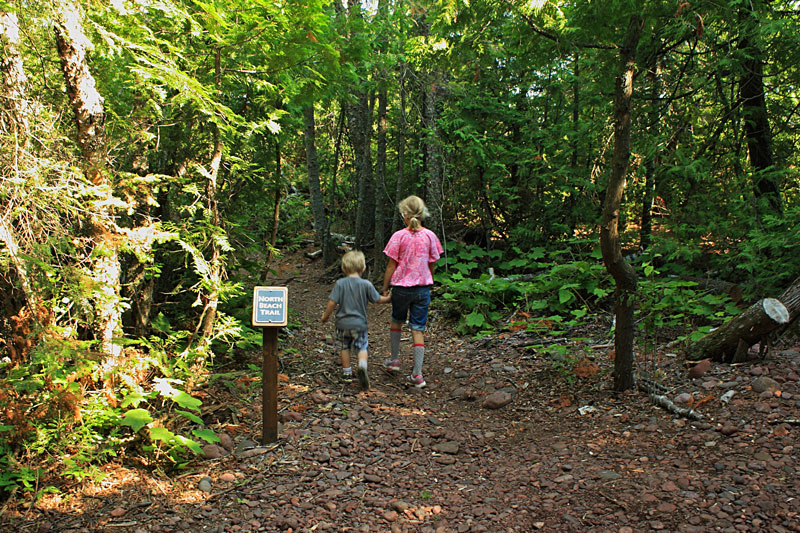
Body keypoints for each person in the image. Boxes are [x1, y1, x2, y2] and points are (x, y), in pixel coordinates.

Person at [381, 195, 443, 388]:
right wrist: (428, 278)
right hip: (422, 289)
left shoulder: (398, 236)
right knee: (418, 329)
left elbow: (392, 265)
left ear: (405, 215)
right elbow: (432, 263)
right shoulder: (430, 236)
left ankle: (394, 359)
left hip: (401, 288)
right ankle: (417, 374)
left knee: (397, 321)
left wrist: (385, 287)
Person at [321, 250, 390, 390]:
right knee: (362, 346)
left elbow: (332, 303)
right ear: (363, 268)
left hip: (342, 323)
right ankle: (362, 366)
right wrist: (389, 298)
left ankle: (347, 373)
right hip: (359, 324)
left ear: (344, 268)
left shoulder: (340, 284)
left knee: (344, 346)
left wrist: (325, 316)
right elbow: (378, 300)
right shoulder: (366, 284)